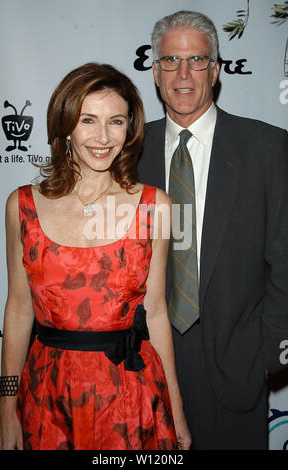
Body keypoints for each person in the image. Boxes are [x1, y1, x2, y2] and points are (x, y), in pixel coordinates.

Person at [0, 62, 191, 450]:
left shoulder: (156, 207)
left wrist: (177, 408)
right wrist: (5, 405)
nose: (103, 137)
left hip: (130, 398)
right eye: (88, 120)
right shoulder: (21, 206)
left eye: (116, 121)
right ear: (65, 125)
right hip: (48, 400)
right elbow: (19, 309)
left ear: (129, 129)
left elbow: (155, 314)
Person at [137, 10, 288, 450]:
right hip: (146, 373)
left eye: (197, 60)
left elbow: (285, 259)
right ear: (156, 71)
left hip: (237, 367)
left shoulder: (267, 148)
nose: (183, 74)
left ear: (216, 70)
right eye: (170, 61)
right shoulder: (128, 152)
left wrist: (266, 358)